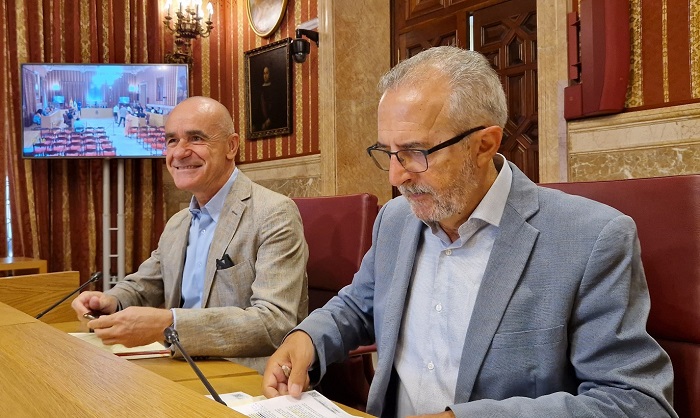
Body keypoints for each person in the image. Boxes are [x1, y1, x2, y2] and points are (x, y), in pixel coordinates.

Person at [262, 47, 677, 417]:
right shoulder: (396, 220)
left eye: (415, 153)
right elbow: (359, 307)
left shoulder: (592, 239)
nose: (395, 176)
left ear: (484, 144)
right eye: (387, 152)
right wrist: (308, 338)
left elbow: (635, 401)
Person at [72, 96, 309, 373]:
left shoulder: (274, 213)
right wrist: (111, 300)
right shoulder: (178, 222)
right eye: (172, 140)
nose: (180, 152)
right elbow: (145, 284)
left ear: (231, 146)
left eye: (195, 138)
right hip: (178, 365)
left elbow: (274, 322)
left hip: (243, 374)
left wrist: (169, 324)